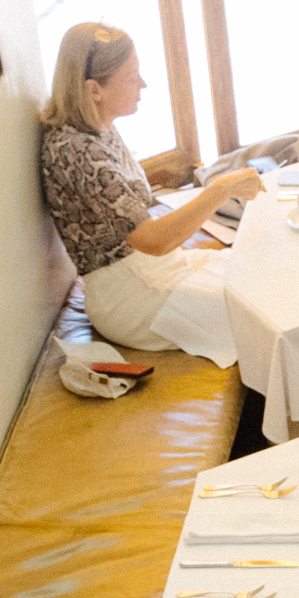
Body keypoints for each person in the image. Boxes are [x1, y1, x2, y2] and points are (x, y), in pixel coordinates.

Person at [37, 21, 264, 355]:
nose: (143, 85)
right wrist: (220, 189)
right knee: (259, 311)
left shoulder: (99, 128)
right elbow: (153, 242)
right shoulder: (78, 152)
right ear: (93, 90)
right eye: (131, 78)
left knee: (262, 273)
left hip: (154, 269)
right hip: (129, 297)